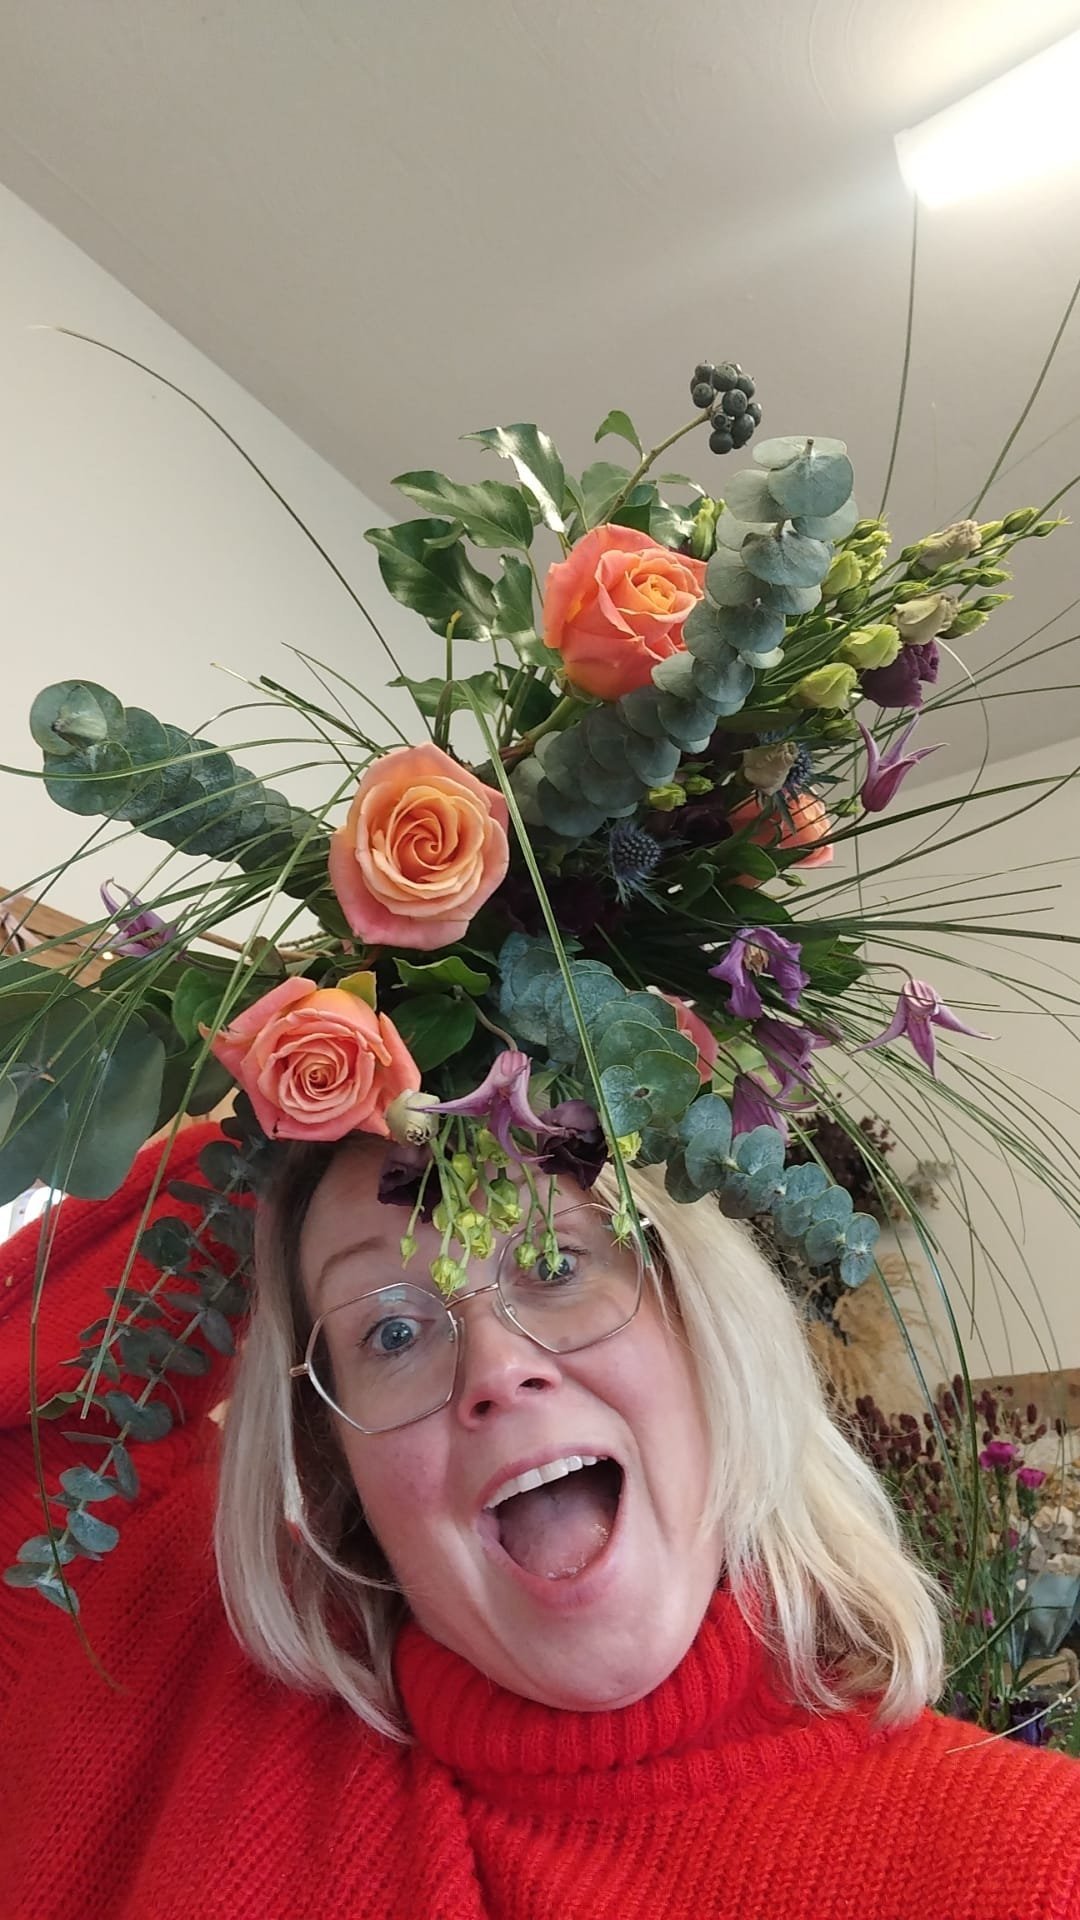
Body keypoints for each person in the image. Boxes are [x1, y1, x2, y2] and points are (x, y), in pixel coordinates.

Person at [1, 1119, 1079, 1920]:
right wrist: (305, 1075)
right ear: (338, 1461)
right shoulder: (163, 1674)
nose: (499, 1368)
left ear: (707, 1328)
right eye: (389, 1331)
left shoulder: (1038, 1864)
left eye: (557, 1264)